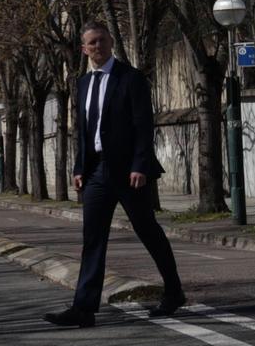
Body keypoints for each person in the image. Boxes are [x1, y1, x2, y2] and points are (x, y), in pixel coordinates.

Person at [46, 22, 185, 327]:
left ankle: (174, 291)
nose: (98, 46)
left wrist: (139, 164)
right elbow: (83, 131)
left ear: (111, 43)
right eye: (92, 43)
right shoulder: (82, 84)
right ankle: (83, 309)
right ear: (84, 49)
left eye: (102, 41)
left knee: (148, 231)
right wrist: (79, 168)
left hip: (127, 172)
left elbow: (143, 126)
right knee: (93, 239)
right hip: (96, 172)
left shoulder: (130, 78)